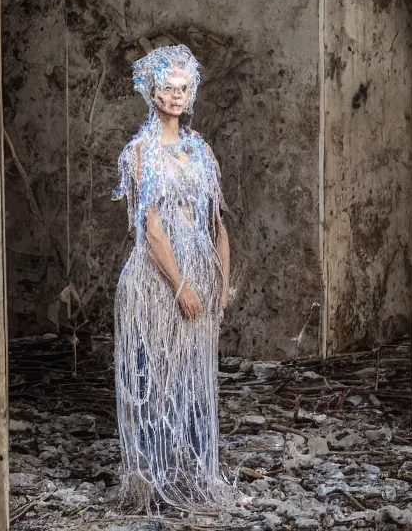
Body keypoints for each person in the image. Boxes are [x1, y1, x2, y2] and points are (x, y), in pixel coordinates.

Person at [111, 44, 232, 511]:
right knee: (153, 374)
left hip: (199, 277)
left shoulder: (200, 150)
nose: (176, 96)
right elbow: (151, 226)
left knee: (192, 378)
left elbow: (218, 221)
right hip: (156, 281)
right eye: (167, 88)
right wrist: (179, 285)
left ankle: (192, 472)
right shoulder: (140, 152)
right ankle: (150, 479)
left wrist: (221, 282)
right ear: (152, 92)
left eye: (183, 88)